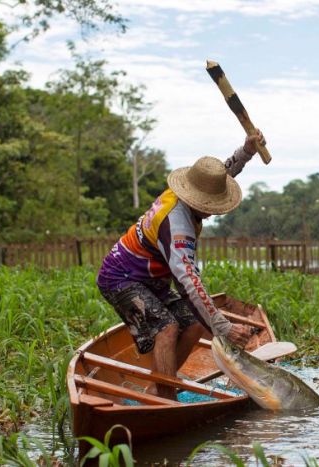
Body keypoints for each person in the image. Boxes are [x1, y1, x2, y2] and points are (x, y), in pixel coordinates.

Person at [96, 130, 266, 400]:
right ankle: (165, 396)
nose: (212, 211)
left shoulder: (190, 192)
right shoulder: (178, 226)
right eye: (210, 205)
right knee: (167, 328)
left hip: (151, 279)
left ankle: (160, 382)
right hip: (121, 277)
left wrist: (246, 151)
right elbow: (189, 283)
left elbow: (220, 175)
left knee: (196, 322)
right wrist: (223, 327)